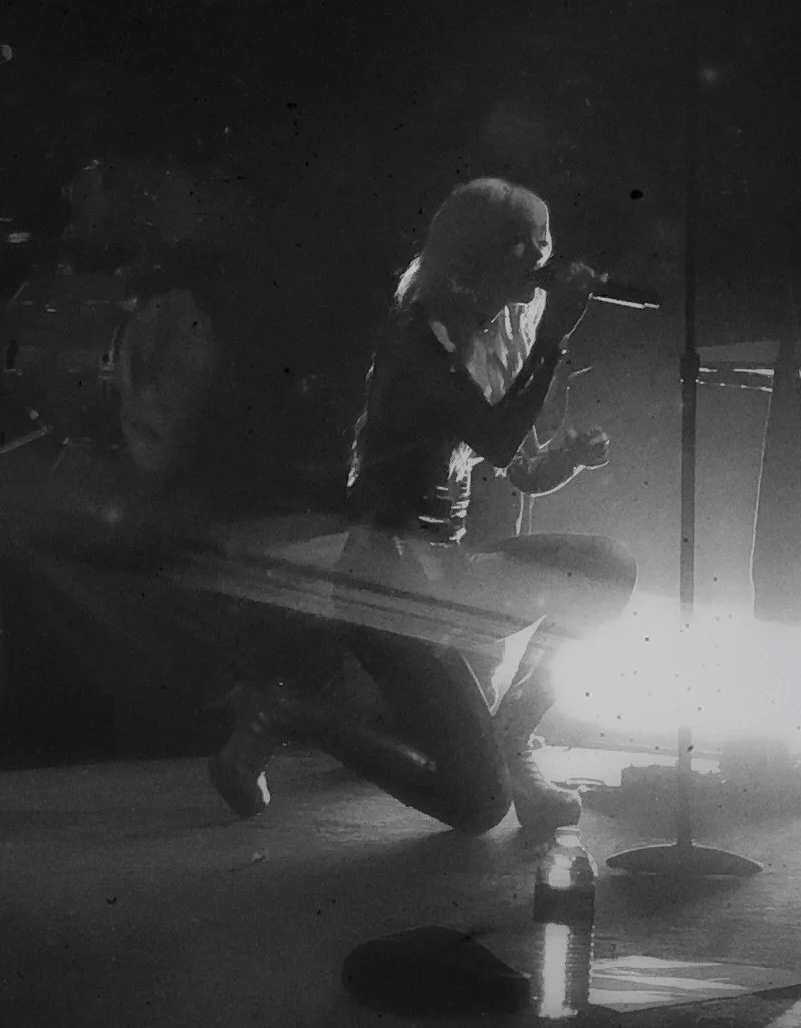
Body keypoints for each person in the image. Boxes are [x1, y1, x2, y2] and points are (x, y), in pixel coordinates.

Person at [208, 177, 635, 841]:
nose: (545, 252)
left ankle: (513, 738)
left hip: (445, 571)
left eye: (548, 238)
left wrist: (563, 460)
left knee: (606, 568)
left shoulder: (490, 339)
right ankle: (285, 714)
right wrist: (552, 338)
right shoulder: (419, 336)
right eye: (527, 240)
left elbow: (513, 464)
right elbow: (493, 434)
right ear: (478, 250)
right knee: (477, 807)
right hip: (390, 588)